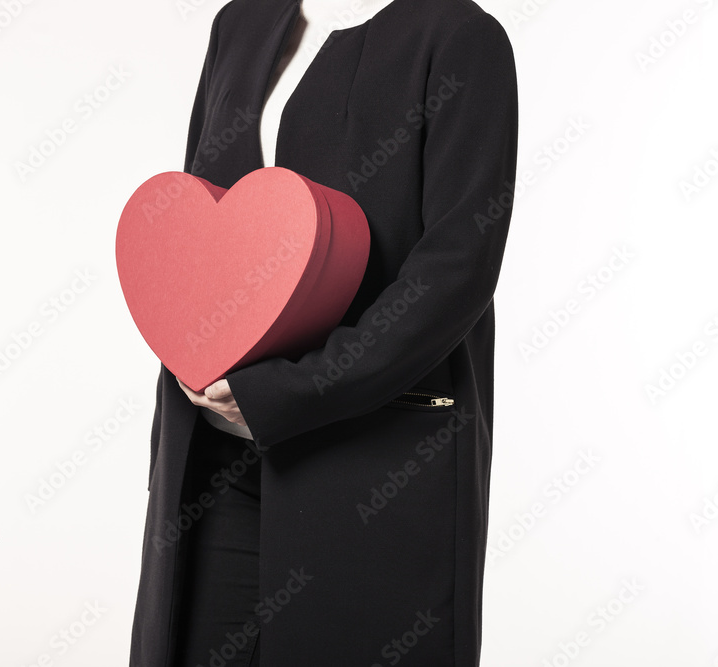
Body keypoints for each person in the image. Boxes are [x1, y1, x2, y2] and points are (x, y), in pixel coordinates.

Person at [128, 0, 518, 664]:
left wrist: (291, 390)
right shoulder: (241, 24)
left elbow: (456, 270)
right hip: (213, 467)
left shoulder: (460, 36)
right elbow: (202, 225)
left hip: (369, 463)